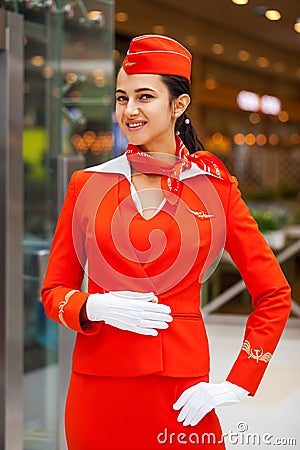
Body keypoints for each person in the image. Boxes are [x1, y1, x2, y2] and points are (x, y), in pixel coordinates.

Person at [41, 34, 291, 449]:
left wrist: (239, 382)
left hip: (181, 394)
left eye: (144, 96)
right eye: (122, 98)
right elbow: (53, 291)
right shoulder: (87, 184)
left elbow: (274, 293)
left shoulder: (215, 188)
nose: (130, 110)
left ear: (179, 105)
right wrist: (93, 306)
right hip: (97, 388)